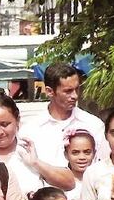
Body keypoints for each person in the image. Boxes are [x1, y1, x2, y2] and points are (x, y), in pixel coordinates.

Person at [17, 62, 107, 191]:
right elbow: (28, 176)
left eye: (77, 89)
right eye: (68, 91)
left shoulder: (94, 125)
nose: (75, 96)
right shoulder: (30, 131)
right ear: (49, 91)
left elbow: (103, 168)